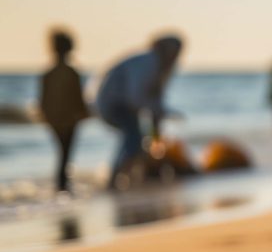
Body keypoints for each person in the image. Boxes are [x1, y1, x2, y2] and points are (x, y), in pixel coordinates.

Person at [94, 35, 183, 189]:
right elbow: (136, 97)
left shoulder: (161, 66)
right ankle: (114, 178)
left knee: (141, 138)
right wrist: (161, 111)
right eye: (174, 50)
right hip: (113, 102)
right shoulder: (149, 62)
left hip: (125, 103)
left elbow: (155, 100)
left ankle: (136, 174)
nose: (176, 56)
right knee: (134, 137)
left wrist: (157, 134)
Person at [38, 28, 89, 193]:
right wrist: (83, 113)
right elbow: (78, 99)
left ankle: (61, 185)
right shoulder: (71, 72)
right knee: (65, 154)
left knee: (62, 153)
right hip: (69, 120)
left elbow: (43, 102)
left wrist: (46, 117)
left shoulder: (48, 74)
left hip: (55, 120)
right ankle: (62, 186)